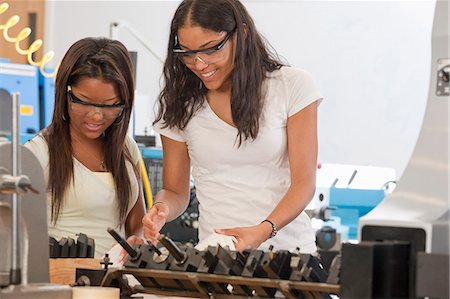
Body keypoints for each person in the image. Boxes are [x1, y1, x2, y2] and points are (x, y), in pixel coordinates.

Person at [143, 0, 323, 253]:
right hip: (218, 258)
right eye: (187, 53)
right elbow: (175, 191)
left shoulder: (292, 86)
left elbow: (304, 184)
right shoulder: (179, 103)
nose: (199, 64)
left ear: (243, 34)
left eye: (210, 49)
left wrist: (263, 230)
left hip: (288, 254)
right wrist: (162, 209)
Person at [25, 37, 145, 258]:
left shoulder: (127, 149)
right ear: (66, 93)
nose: (97, 115)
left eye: (110, 105)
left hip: (117, 282)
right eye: (85, 102)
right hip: (62, 284)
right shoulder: (40, 153)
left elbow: (136, 223)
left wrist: (137, 241)